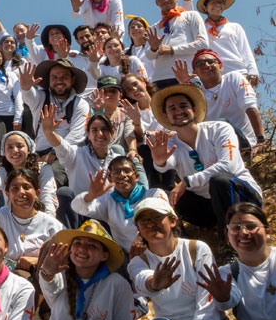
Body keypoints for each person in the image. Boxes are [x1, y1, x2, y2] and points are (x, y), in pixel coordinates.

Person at [146, 84, 262, 229]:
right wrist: (159, 161)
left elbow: (228, 165)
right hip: (209, 205)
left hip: (243, 198)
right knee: (172, 197)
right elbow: (167, 163)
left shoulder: (219, 129)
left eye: (184, 106)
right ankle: (215, 227)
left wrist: (187, 182)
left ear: (194, 109)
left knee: (220, 180)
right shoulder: (171, 142)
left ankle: (230, 237)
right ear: (166, 116)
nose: (179, 111)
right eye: (172, 108)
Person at [40, 106, 125, 229]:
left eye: (105, 129)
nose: (100, 134)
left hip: (106, 217)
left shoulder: (118, 160)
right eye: (94, 130)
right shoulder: (76, 154)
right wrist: (49, 132)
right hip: (79, 214)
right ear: (88, 135)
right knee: (64, 193)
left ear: (112, 133)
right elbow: (60, 145)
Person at [0, 172, 64, 276]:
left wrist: (38, 261)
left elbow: (62, 258)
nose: (21, 192)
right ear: (7, 195)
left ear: (37, 193)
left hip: (39, 278)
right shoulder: (0, 215)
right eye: (15, 189)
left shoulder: (52, 225)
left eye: (26, 187)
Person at [173, 51, 265, 153]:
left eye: (211, 61)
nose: (206, 65)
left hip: (242, 143)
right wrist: (184, 86)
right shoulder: (196, 94)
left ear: (221, 67)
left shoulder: (233, 78)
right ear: (195, 73)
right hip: (214, 149)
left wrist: (261, 140)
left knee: (221, 124)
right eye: (200, 64)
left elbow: (250, 107)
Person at [72, 156, 161, 255]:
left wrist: (142, 237)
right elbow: (77, 207)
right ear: (110, 179)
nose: (122, 175)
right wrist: (91, 196)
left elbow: (161, 219)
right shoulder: (107, 201)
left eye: (127, 171)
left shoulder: (153, 195)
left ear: (136, 177)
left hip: (158, 252)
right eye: (116, 172)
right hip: (127, 257)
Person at [19, 59, 91, 158]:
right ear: (49, 79)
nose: (59, 81)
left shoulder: (81, 104)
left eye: (64, 77)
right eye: (54, 77)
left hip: (69, 154)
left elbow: (77, 136)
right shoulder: (40, 98)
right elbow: (28, 97)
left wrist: (55, 152)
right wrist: (25, 88)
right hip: (40, 153)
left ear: (72, 79)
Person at [146, 0, 207, 88]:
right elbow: (149, 56)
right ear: (156, 2)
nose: (165, 0)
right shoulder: (155, 27)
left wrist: (172, 50)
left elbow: (202, 43)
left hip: (186, 75)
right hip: (159, 80)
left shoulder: (191, 15)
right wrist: (154, 48)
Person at [196, 0, 260, 86]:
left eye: (220, 2)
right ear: (205, 7)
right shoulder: (201, 28)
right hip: (212, 74)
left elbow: (245, 50)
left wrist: (253, 71)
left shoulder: (235, 27)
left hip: (238, 72)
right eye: (213, 2)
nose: (217, 5)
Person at [0, 131, 58, 214]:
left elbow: (48, 196)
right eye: (9, 147)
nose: (14, 150)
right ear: (4, 152)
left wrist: (47, 222)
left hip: (38, 218)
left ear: (29, 149)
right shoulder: (3, 170)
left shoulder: (43, 168)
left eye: (20, 146)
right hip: (12, 220)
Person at [125, 15, 155, 80]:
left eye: (139, 26)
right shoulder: (125, 52)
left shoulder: (152, 48)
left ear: (146, 31)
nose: (135, 28)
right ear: (129, 33)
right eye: (132, 27)